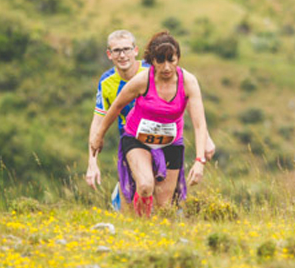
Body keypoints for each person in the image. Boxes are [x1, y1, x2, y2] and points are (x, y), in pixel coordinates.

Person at [90, 31, 213, 217]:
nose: (166, 67)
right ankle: (141, 224)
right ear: (151, 61)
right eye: (160, 61)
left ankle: (154, 233)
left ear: (178, 58)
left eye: (171, 61)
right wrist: (98, 137)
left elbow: (199, 123)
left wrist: (199, 160)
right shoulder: (142, 80)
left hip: (171, 143)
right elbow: (115, 107)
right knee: (146, 185)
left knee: (164, 206)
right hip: (137, 139)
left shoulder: (188, 82)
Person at [85, 29, 145, 211]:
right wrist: (92, 163)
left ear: (136, 51)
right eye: (117, 51)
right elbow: (97, 121)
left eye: (127, 49)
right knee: (134, 189)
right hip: (130, 141)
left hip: (160, 138)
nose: (122, 55)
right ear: (109, 55)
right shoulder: (106, 82)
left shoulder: (152, 70)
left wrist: (204, 137)